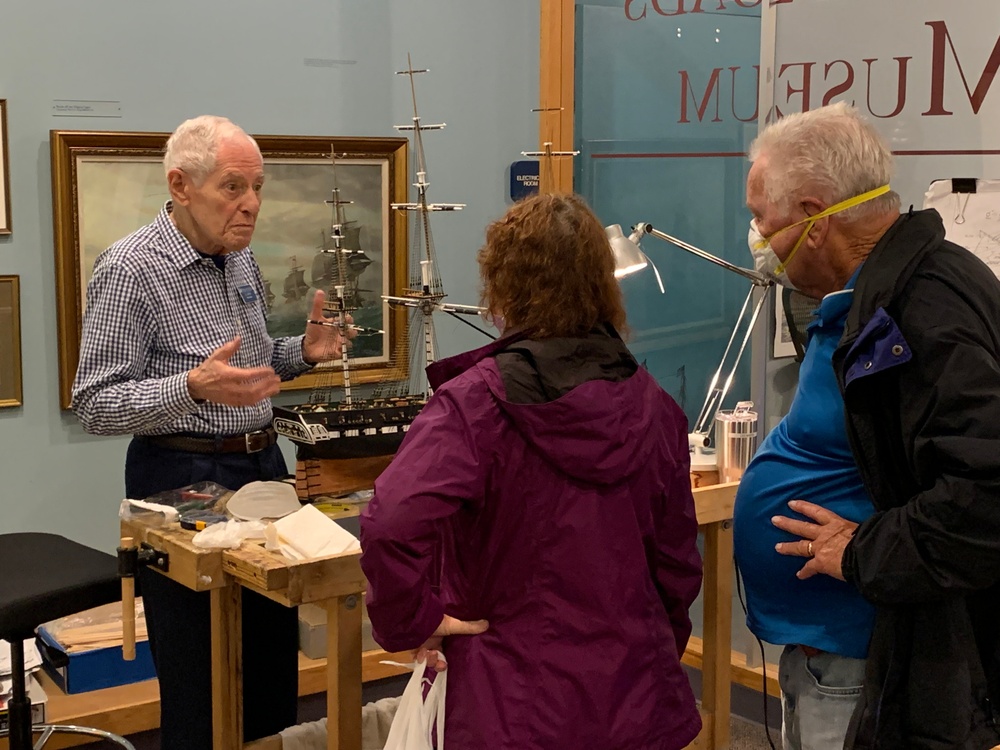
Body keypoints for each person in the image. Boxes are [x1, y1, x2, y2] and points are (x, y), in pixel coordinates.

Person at [359, 193, 703, 749]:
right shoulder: (656, 407)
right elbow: (678, 565)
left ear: (502, 285)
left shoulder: (473, 405)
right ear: (602, 281)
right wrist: (648, 645)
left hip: (514, 701)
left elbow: (391, 522)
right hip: (632, 691)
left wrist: (414, 619)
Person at [72, 115, 348, 748]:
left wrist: (301, 351)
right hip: (179, 479)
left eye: (257, 187)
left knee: (273, 668)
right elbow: (94, 404)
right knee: (201, 679)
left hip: (262, 469)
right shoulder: (131, 270)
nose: (250, 205)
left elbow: (244, 371)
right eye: (232, 187)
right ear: (180, 185)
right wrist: (190, 388)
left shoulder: (240, 257)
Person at [744, 102, 1000, 749]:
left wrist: (860, 551)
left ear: (812, 217)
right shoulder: (868, 300)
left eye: (759, 220)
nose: (755, 239)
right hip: (833, 661)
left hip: (874, 669)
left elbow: (985, 493)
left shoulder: (928, 305)